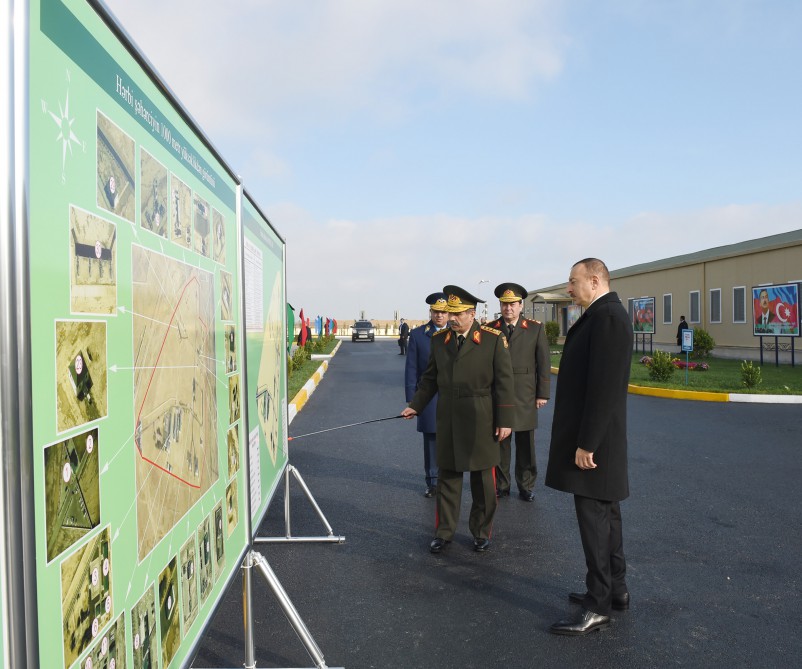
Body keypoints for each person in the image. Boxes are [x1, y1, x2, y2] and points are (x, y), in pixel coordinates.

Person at [545, 258, 633, 636]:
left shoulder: (609, 317)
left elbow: (605, 387)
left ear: (595, 281)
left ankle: (598, 606)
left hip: (597, 443)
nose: (569, 288)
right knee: (606, 515)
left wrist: (587, 444)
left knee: (594, 520)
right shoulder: (601, 314)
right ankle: (615, 590)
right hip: (599, 441)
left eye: (573, 281)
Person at [402, 285, 515, 554]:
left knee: (483, 483)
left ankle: (480, 532)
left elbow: (505, 384)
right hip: (449, 418)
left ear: (472, 313)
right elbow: (430, 379)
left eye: (457, 314)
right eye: (449, 313)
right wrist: (415, 405)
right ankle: (444, 532)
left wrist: (505, 420)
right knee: (448, 480)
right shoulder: (439, 340)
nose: (451, 318)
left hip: (481, 418)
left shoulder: (492, 339)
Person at [487, 283, 550, 502]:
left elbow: (543, 363)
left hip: (525, 395)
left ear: (520, 305)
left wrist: (542, 394)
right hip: (498, 395)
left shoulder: (534, 328)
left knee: (525, 445)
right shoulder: (491, 328)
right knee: (501, 443)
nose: (508, 309)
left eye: (512, 304)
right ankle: (502, 485)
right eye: (504, 304)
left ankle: (526, 485)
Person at [404, 293, 450, 497]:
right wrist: (413, 400)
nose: (439, 315)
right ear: (430, 312)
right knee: (431, 438)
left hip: (453, 395)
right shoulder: (418, 335)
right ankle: (432, 482)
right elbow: (411, 369)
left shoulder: (457, 332)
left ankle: (449, 479)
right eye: (436, 311)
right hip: (429, 396)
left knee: (452, 438)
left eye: (443, 312)